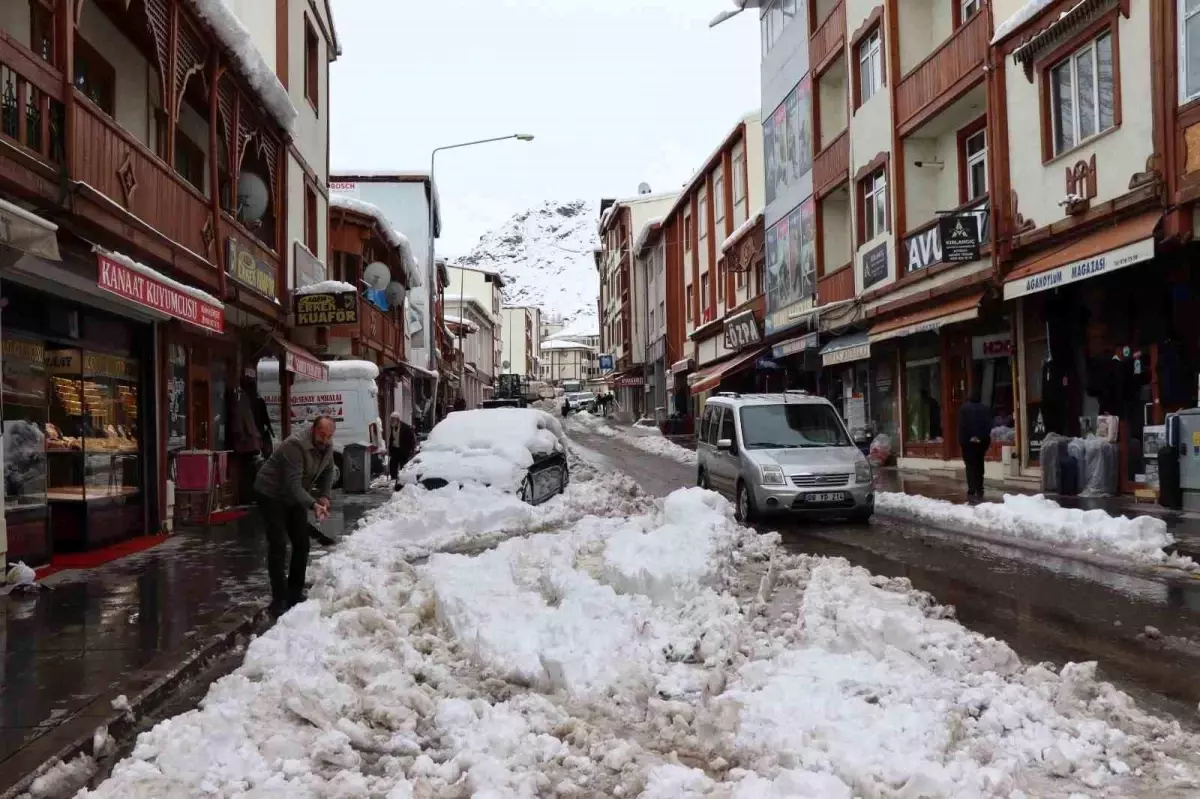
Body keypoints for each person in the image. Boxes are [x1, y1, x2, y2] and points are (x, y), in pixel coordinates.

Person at [253, 415, 336, 614]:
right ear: (313, 430)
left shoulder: (327, 446)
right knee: (278, 543)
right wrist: (314, 504)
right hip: (271, 493)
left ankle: (295, 593)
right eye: (321, 434)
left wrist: (324, 496)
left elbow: (329, 470)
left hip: (294, 496)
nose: (324, 440)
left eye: (328, 436)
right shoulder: (295, 446)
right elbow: (293, 485)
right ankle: (279, 598)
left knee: (302, 543)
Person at [957, 389, 993, 499]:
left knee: (970, 465)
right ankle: (979, 487)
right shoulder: (985, 409)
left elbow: (962, 425)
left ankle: (971, 488)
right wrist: (980, 437)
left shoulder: (964, 409)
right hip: (981, 442)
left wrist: (968, 437)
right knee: (979, 463)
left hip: (968, 442)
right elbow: (988, 425)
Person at [387, 412, 418, 484]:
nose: (391, 421)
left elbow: (411, 439)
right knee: (393, 464)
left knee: (403, 466)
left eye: (393, 419)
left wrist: (412, 449)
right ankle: (393, 479)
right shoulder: (393, 426)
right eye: (391, 419)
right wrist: (389, 449)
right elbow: (391, 438)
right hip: (395, 449)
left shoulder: (406, 427)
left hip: (404, 450)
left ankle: (402, 481)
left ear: (397, 420)